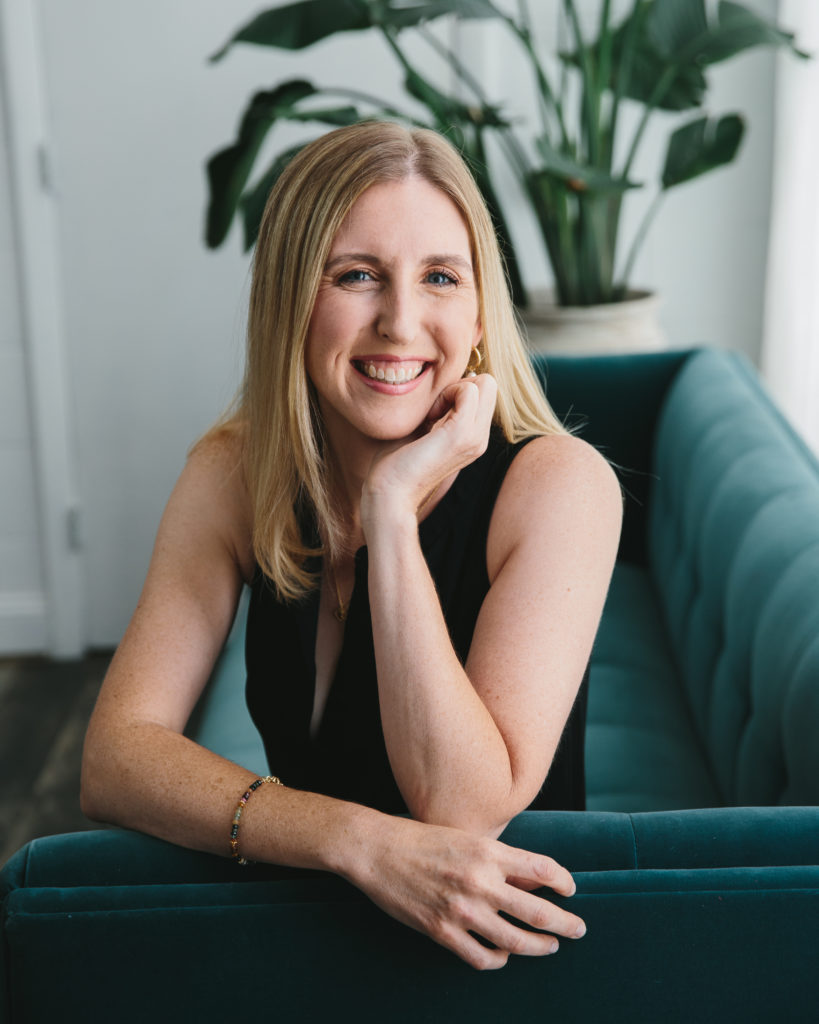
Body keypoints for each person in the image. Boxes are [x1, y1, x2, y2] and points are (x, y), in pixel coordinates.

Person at [81, 121, 622, 970]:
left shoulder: (558, 484)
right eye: (357, 275)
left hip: (509, 957)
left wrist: (391, 509)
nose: (400, 322)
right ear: (290, 301)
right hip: (311, 924)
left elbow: (460, 810)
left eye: (440, 277)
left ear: (480, 311)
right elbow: (115, 758)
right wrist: (353, 841)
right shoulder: (233, 472)